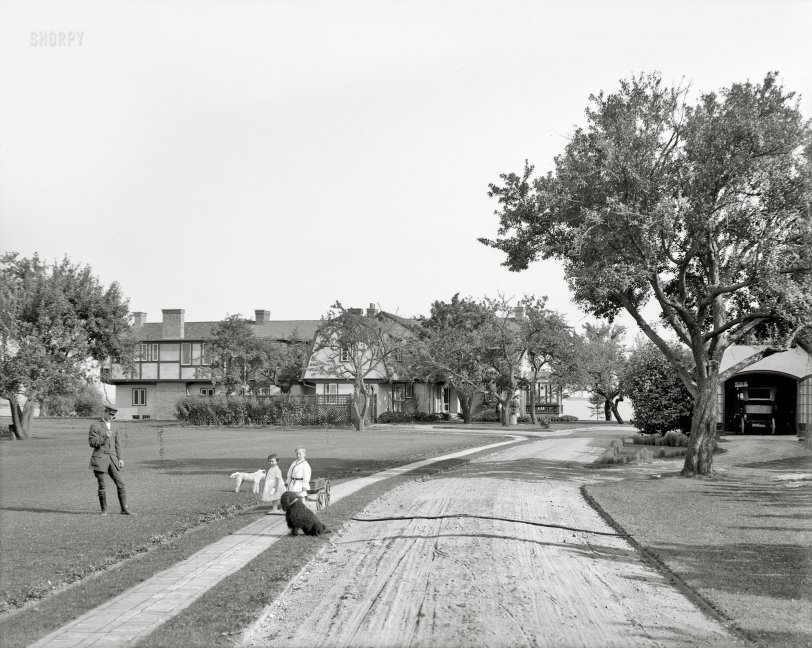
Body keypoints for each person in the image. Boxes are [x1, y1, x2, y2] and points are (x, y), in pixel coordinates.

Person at [89, 404, 135, 516]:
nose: (111, 417)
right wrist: (105, 436)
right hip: (99, 459)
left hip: (113, 459)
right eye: (109, 414)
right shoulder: (95, 425)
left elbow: (118, 444)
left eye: (113, 415)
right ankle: (104, 510)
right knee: (102, 485)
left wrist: (120, 458)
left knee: (121, 483)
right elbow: (92, 443)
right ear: (104, 412)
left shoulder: (115, 427)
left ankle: (124, 509)